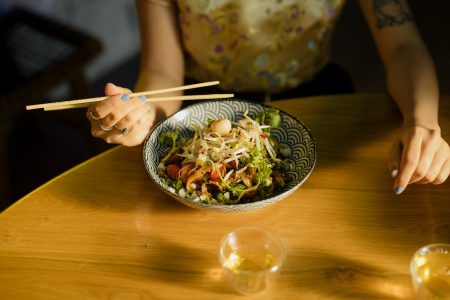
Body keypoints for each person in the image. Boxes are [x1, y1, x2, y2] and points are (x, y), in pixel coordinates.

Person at [86, 0, 450, 194]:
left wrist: (422, 123)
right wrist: (144, 114)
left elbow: (402, 45)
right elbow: (163, 73)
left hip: (316, 94)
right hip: (205, 107)